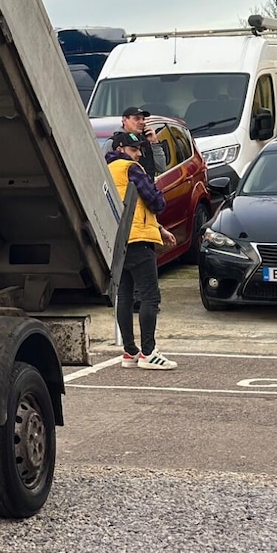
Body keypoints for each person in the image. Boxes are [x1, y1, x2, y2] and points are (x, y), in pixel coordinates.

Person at [106, 130, 177, 370]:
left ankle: (130, 351)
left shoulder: (106, 170)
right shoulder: (131, 168)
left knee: (124, 296)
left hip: (118, 241)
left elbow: (132, 207)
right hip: (139, 239)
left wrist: (160, 229)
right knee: (150, 297)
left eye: (139, 150)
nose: (138, 154)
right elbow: (155, 201)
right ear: (120, 149)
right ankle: (149, 352)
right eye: (133, 149)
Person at [120, 106, 163, 177]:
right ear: (124, 120)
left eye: (143, 119)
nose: (142, 122)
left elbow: (161, 167)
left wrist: (155, 143)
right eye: (137, 118)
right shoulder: (114, 142)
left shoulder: (145, 140)